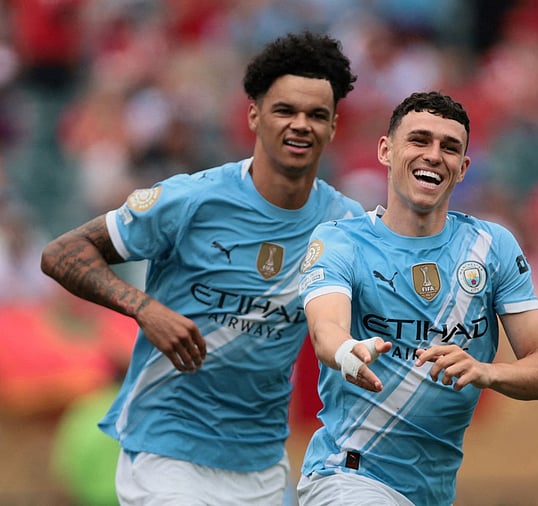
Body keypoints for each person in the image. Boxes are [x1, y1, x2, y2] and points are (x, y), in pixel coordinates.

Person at [40, 31, 363, 505]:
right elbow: (62, 254)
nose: (301, 125)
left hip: (261, 460)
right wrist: (146, 309)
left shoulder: (346, 226)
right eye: (285, 110)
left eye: (317, 115)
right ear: (254, 115)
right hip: (165, 449)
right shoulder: (191, 200)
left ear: (334, 126)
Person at [295, 91, 538, 506]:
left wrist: (486, 372)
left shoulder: (492, 247)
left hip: (432, 493)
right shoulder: (340, 240)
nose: (434, 155)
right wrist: (350, 352)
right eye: (419, 140)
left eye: (449, 147)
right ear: (386, 150)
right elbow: (325, 329)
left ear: (463, 168)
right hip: (347, 476)